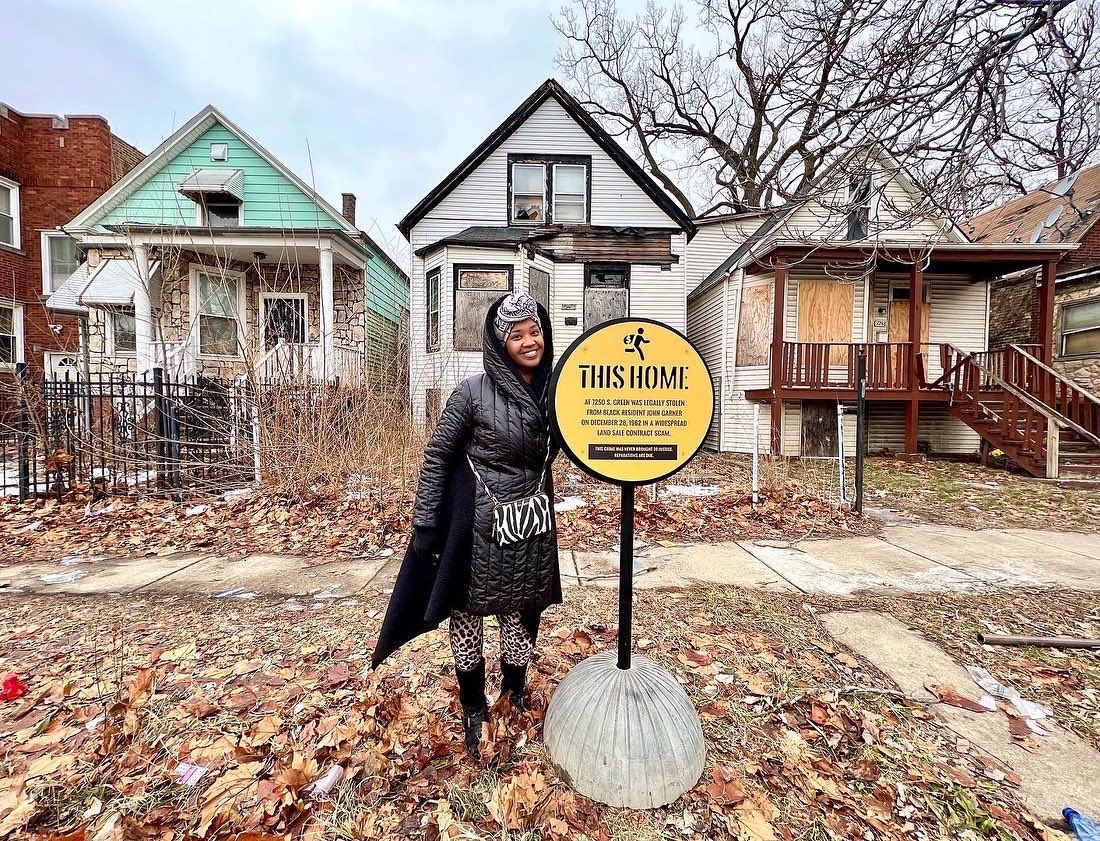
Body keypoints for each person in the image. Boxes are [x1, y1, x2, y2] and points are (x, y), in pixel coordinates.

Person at [372, 292, 560, 760]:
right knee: (468, 618)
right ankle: (474, 707)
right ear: (499, 344)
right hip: (476, 525)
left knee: (520, 617)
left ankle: (513, 694)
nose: (529, 342)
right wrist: (426, 523)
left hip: (530, 522)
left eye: (535, 331)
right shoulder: (471, 393)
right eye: (516, 336)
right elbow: (437, 455)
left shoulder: (557, 392)